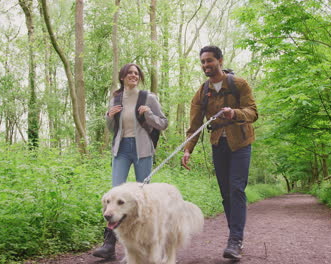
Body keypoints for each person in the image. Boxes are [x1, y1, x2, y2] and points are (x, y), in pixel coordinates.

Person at [181, 46, 258, 260]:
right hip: (218, 144)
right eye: (203, 62)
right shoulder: (201, 92)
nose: (206, 65)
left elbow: (253, 112)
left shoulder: (239, 84)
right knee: (225, 193)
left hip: (241, 143)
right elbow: (194, 125)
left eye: (210, 61)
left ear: (220, 61)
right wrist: (188, 150)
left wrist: (235, 112)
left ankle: (235, 241)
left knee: (236, 188)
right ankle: (234, 236)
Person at [93, 63, 168, 259]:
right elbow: (112, 128)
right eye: (129, 73)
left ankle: (145, 243)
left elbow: (163, 123)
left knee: (143, 195)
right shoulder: (116, 98)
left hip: (143, 148)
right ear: (122, 77)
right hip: (121, 149)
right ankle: (109, 246)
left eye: (136, 73)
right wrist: (109, 117)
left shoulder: (148, 97)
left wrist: (148, 113)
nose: (133, 76)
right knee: (115, 194)